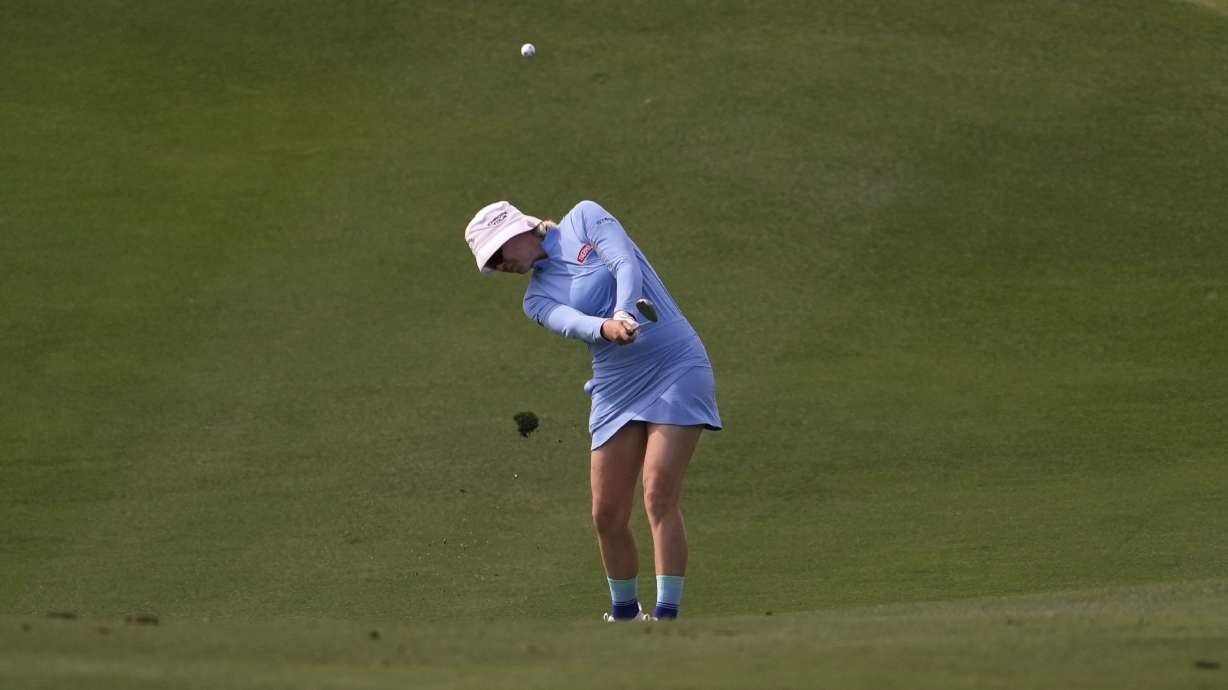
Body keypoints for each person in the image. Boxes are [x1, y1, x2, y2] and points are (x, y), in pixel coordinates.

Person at [463, 199, 722, 622]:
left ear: (516, 232)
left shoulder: (584, 217)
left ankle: (667, 617)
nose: (498, 266)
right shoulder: (536, 300)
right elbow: (572, 322)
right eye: (490, 262)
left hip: (676, 364)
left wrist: (623, 310)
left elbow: (623, 262)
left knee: (657, 493)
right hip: (616, 387)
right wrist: (607, 328)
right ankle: (625, 616)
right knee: (606, 514)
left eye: (498, 253)